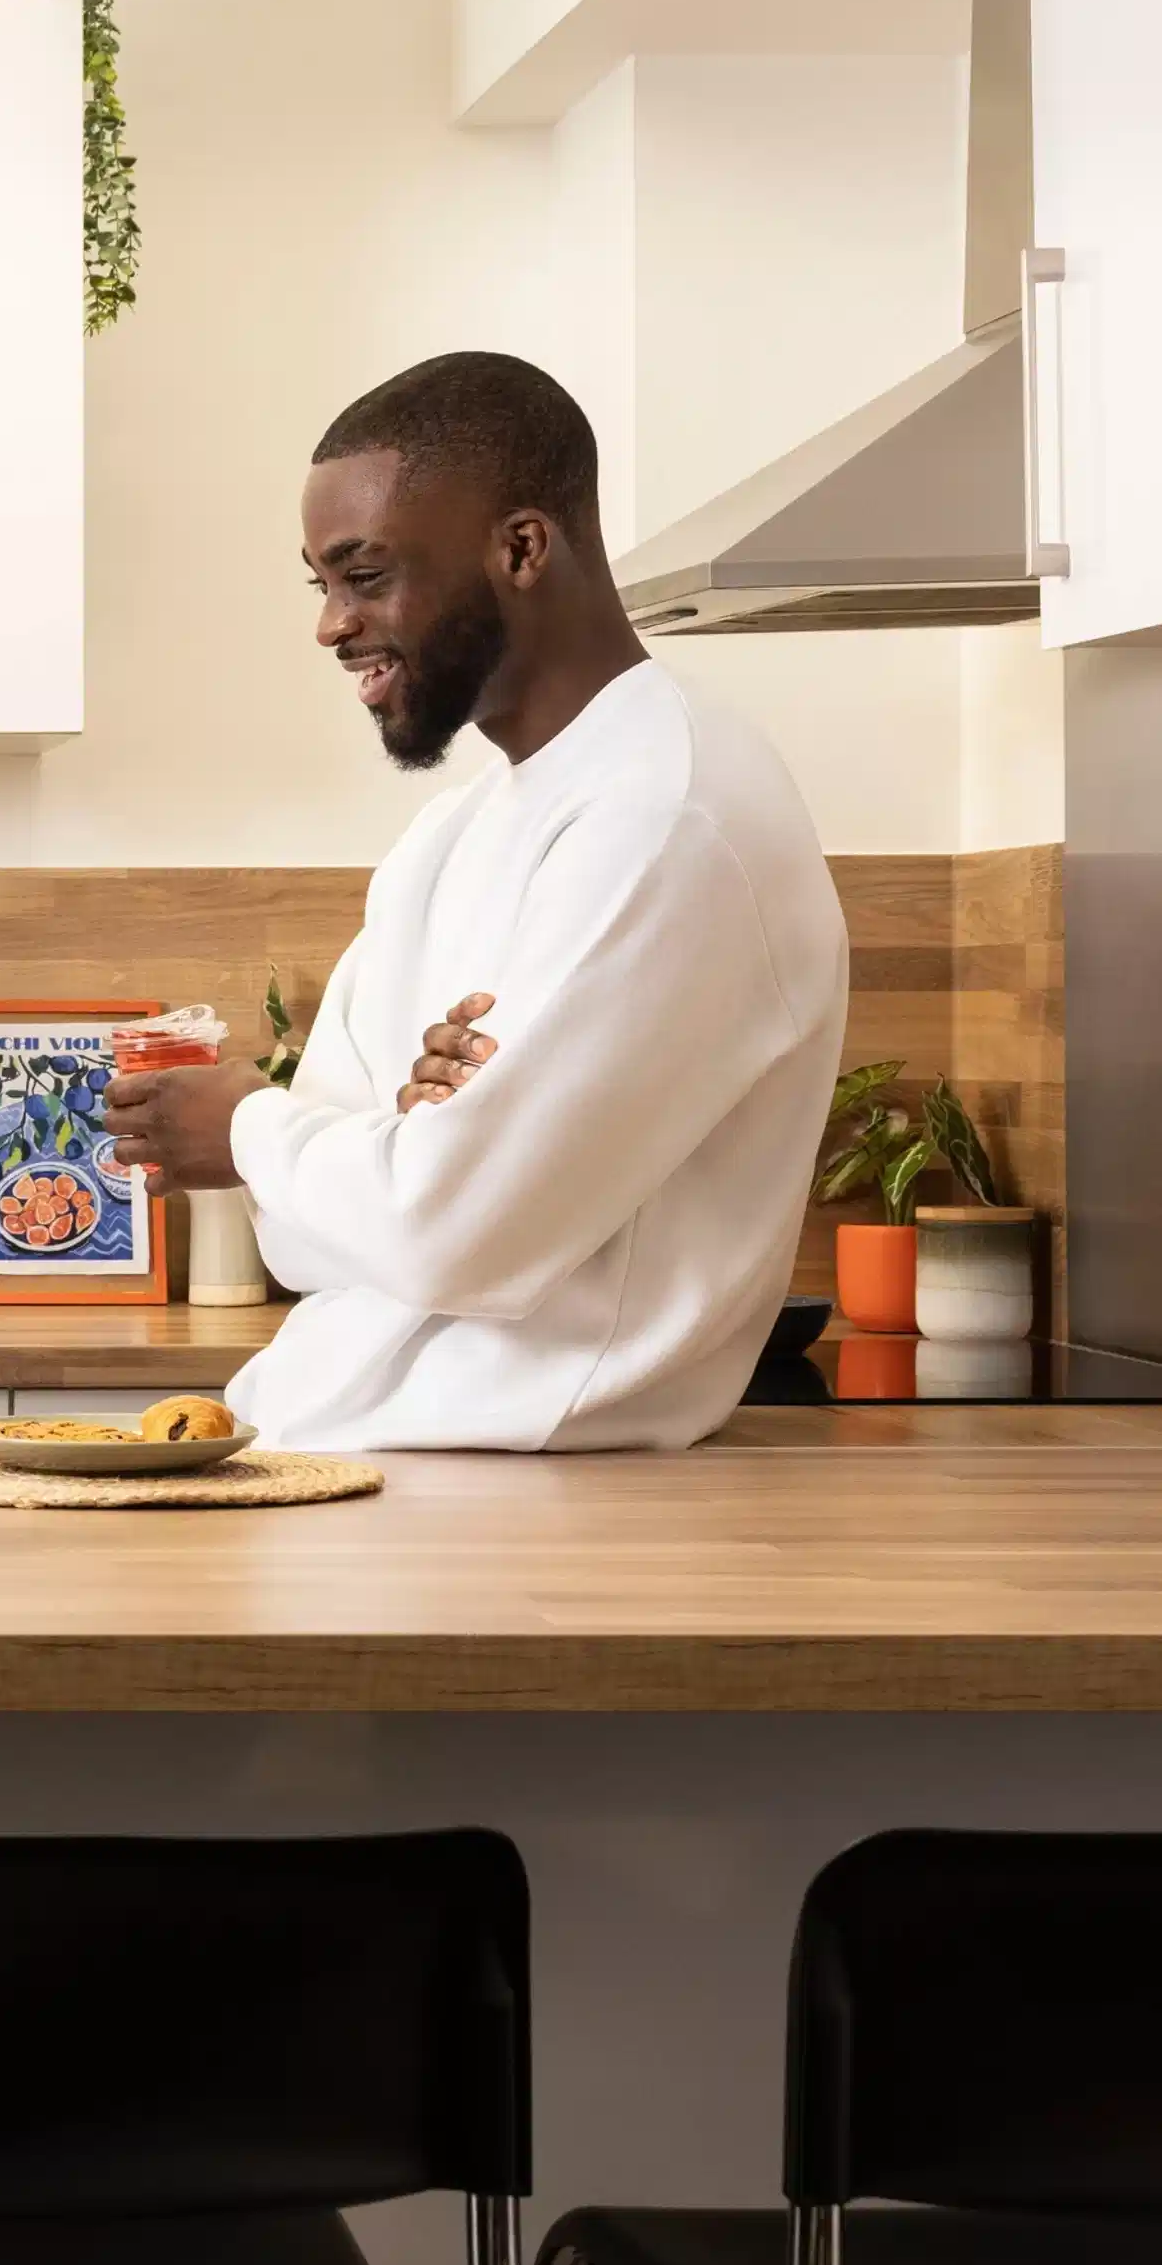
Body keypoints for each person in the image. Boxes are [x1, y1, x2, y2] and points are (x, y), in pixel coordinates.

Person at [103, 351, 848, 1452]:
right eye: (321, 585)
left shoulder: (668, 816)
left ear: (522, 548)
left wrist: (256, 1126)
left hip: (521, 1499)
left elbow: (450, 1234)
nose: (331, 626)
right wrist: (393, 1154)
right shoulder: (446, 839)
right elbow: (301, 1247)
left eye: (365, 574)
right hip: (326, 1461)